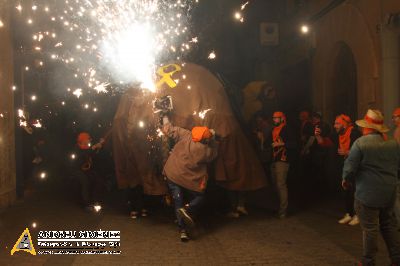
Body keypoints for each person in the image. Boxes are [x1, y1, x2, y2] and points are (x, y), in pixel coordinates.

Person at [342, 109, 400, 265]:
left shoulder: (360, 143)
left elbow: (350, 167)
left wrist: (345, 180)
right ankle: (396, 259)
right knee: (389, 226)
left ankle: (368, 262)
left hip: (367, 193)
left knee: (370, 229)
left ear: (367, 127)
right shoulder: (393, 144)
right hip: (389, 192)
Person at [162, 117, 218, 242]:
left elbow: (171, 130)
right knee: (200, 196)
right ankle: (187, 209)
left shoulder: (187, 135)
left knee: (178, 201)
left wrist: (166, 119)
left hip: (172, 174)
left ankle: (183, 231)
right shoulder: (206, 150)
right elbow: (214, 154)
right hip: (188, 179)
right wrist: (213, 139)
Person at [331, 114, 361, 225]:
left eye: (337, 123)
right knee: (347, 190)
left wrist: (347, 152)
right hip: (345, 166)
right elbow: (327, 142)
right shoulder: (338, 135)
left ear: (344, 124)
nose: (335, 126)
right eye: (335, 123)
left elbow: (360, 150)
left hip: (355, 167)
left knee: (356, 191)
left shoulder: (355, 133)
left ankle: (358, 215)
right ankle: (349, 214)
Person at [270, 111, 294, 219]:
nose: (274, 120)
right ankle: (279, 208)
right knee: (276, 185)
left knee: (281, 184)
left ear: (282, 118)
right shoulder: (273, 129)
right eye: (273, 118)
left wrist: (281, 143)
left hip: (283, 159)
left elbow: (294, 143)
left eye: (276, 118)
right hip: (275, 159)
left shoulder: (287, 129)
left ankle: (283, 211)